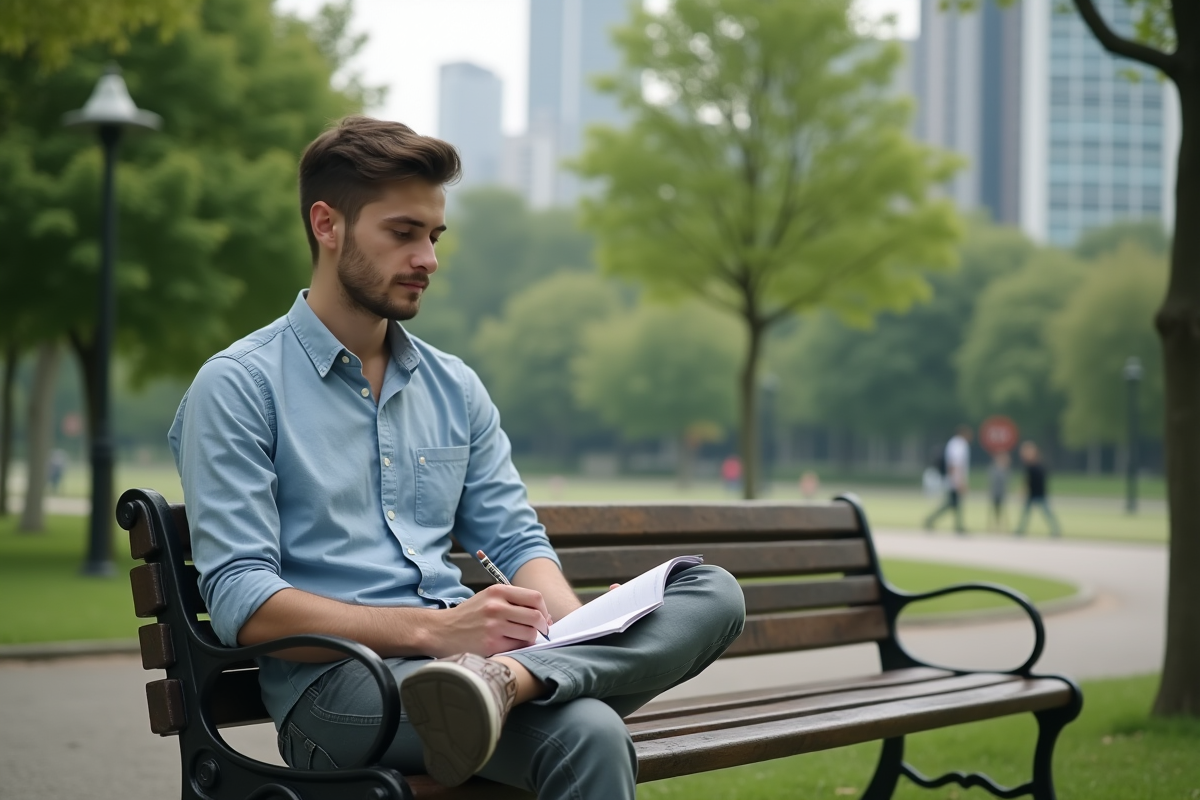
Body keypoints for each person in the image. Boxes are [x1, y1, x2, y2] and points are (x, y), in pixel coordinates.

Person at [167, 116, 745, 800]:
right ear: (327, 225)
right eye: (403, 233)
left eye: (434, 236)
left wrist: (573, 628)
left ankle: (512, 682)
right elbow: (243, 602)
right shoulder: (239, 386)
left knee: (712, 592)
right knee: (586, 731)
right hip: (337, 691)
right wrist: (439, 631)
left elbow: (514, 538)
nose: (428, 259)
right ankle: (511, 682)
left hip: (475, 667)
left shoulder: (454, 386)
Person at [924, 424, 973, 533]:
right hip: (954, 479)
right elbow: (955, 464)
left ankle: (958, 525)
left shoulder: (954, 443)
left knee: (955, 503)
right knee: (952, 503)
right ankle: (933, 520)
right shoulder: (959, 445)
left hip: (953, 478)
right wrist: (958, 481)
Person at [1015, 441, 1061, 538]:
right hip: (1032, 493)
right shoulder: (1030, 466)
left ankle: (1056, 530)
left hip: (1039, 493)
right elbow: (1027, 481)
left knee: (1046, 513)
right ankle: (1020, 530)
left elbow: (1031, 481)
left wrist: (1024, 490)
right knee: (1026, 513)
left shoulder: (1037, 465)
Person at [988, 451, 1010, 531]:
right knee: (994, 509)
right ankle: (994, 525)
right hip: (995, 492)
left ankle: (1002, 525)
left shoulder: (1005, 470)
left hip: (1002, 492)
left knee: (1002, 509)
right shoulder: (994, 469)